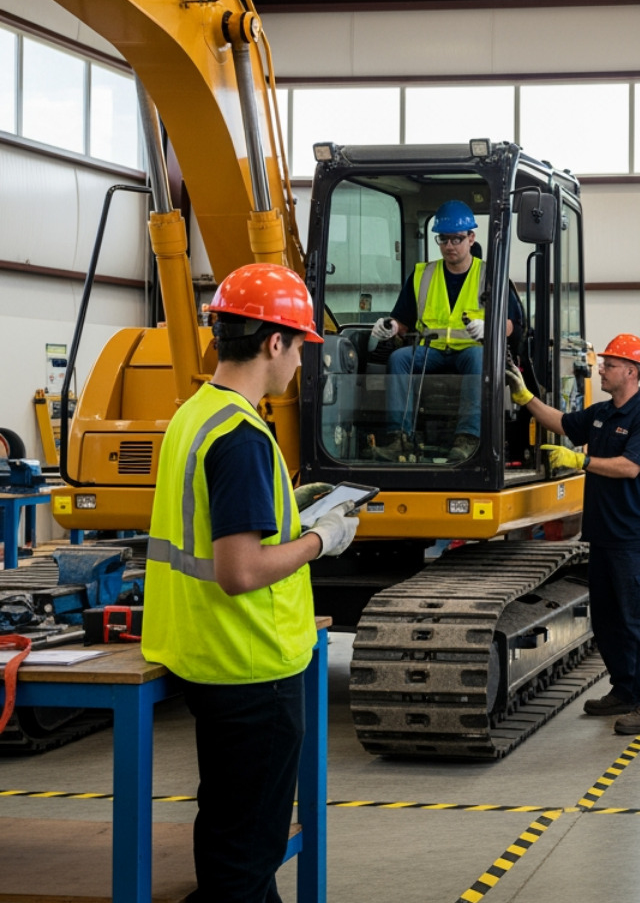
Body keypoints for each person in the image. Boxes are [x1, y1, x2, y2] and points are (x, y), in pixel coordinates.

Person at [142, 263, 359, 903]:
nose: (301, 362)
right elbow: (239, 571)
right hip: (252, 665)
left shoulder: (194, 415)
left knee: (231, 844)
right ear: (274, 342)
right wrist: (322, 539)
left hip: (207, 655)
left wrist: (289, 508)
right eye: (300, 346)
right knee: (244, 861)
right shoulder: (240, 436)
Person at [507, 333, 640, 736]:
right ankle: (625, 690)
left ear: (631, 372)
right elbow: (562, 423)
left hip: (633, 537)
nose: (601, 370)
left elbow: (629, 467)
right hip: (603, 535)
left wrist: (582, 460)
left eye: (609, 365)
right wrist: (526, 397)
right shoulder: (601, 414)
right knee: (609, 621)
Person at [370, 200, 521, 464]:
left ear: (471, 238)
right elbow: (402, 321)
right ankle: (399, 438)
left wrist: (491, 328)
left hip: (470, 351)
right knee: (399, 359)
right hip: (432, 351)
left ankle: (468, 439)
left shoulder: (491, 275)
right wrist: (390, 327)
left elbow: (512, 325)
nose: (449, 246)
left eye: (456, 239)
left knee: (479, 358)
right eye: (443, 239)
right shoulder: (423, 275)